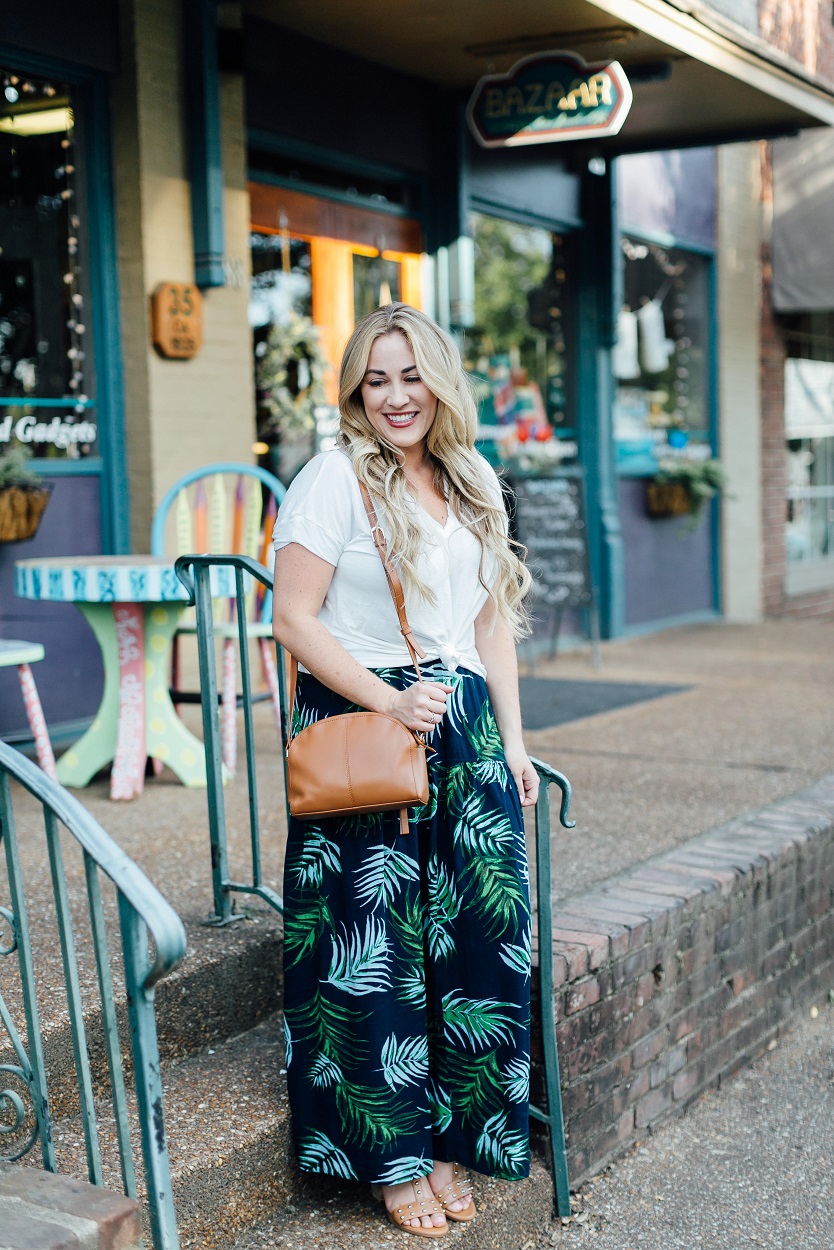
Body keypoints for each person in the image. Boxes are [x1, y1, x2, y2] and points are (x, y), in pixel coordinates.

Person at [272, 303, 538, 1238]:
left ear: (440, 382)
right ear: (354, 389)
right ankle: (390, 1160)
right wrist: (386, 701)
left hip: (463, 731)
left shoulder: (473, 481)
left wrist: (512, 741)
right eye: (374, 379)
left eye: (410, 375)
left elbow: (489, 623)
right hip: (367, 730)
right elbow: (294, 622)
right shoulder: (331, 480)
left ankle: (454, 1140)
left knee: (477, 945)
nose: (394, 397)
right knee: (369, 953)